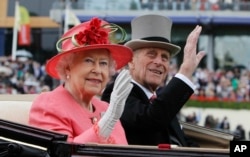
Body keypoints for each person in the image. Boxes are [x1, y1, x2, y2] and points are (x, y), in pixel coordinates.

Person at [101, 14, 206, 146]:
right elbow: (150, 121)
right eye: (151, 54)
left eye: (164, 58)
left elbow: (183, 143)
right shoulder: (117, 92)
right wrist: (184, 72)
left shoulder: (160, 101)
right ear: (131, 61)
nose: (158, 62)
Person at [28, 17, 134, 144]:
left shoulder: (105, 108)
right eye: (88, 61)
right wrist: (107, 121)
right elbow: (61, 152)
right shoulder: (48, 104)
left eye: (103, 63)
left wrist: (110, 116)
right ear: (68, 68)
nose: (98, 70)